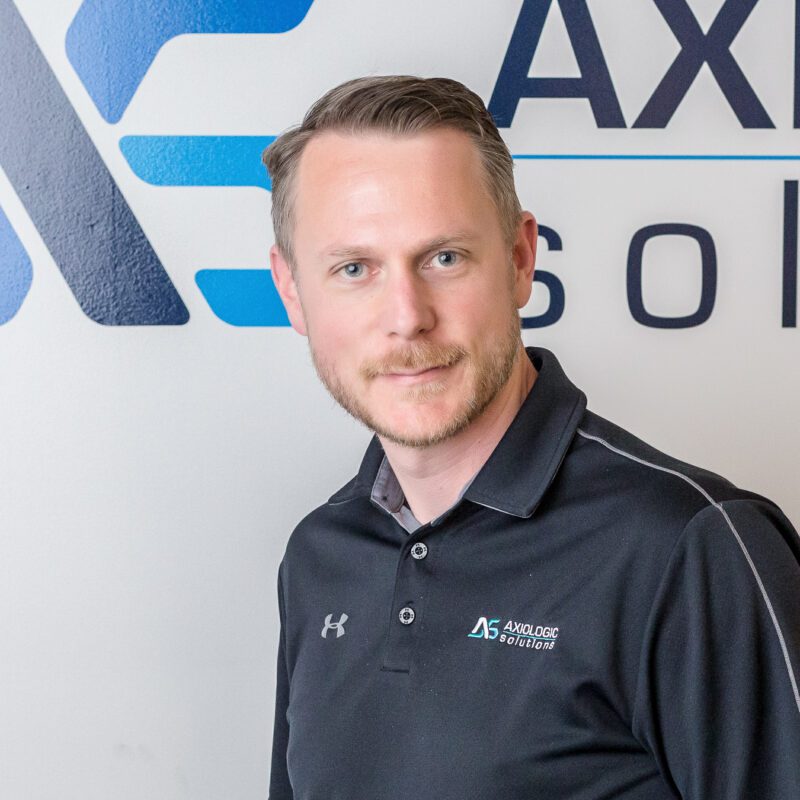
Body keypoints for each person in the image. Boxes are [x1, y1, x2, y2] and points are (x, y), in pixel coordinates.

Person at [262, 76, 800, 800]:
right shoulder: (318, 556)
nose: (407, 316)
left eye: (444, 258)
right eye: (354, 269)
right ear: (293, 291)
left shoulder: (689, 547)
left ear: (520, 259)